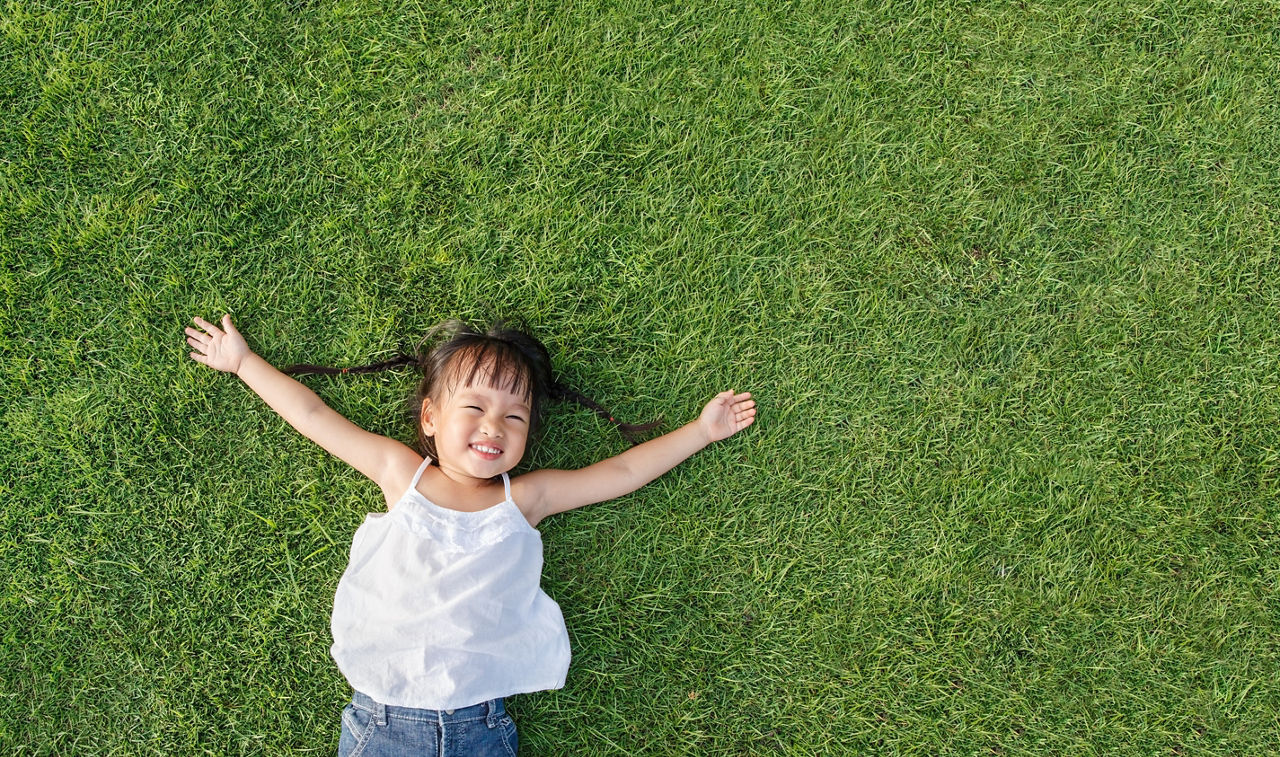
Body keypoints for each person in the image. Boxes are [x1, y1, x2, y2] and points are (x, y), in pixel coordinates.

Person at [184, 314, 757, 756]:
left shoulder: (526, 499)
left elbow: (621, 474)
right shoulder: (400, 473)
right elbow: (312, 416)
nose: (493, 426)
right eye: (475, 407)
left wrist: (700, 432)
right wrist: (243, 363)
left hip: (480, 725)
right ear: (430, 418)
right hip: (384, 721)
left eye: (515, 416)